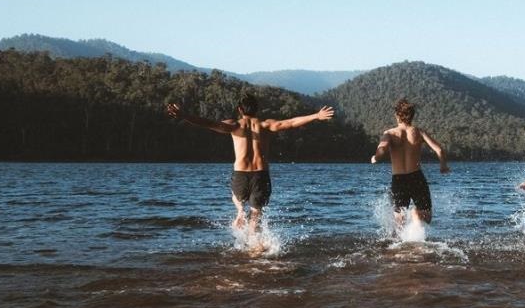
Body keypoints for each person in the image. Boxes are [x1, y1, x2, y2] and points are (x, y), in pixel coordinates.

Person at [166, 94, 334, 236]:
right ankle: (255, 248)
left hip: (240, 174)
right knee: (256, 213)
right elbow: (289, 123)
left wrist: (184, 115)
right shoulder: (265, 125)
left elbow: (208, 123)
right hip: (260, 174)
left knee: (236, 197)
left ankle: (239, 211)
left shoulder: (234, 125)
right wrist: (315, 116)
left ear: (239, 109)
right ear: (257, 109)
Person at [371, 98, 449, 227]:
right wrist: (443, 165)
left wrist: (375, 157)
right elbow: (439, 149)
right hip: (416, 177)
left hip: (398, 179)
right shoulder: (418, 132)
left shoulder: (389, 133)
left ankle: (400, 244)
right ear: (412, 115)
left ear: (397, 115)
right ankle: (416, 214)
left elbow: (382, 149)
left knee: (399, 220)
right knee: (426, 217)